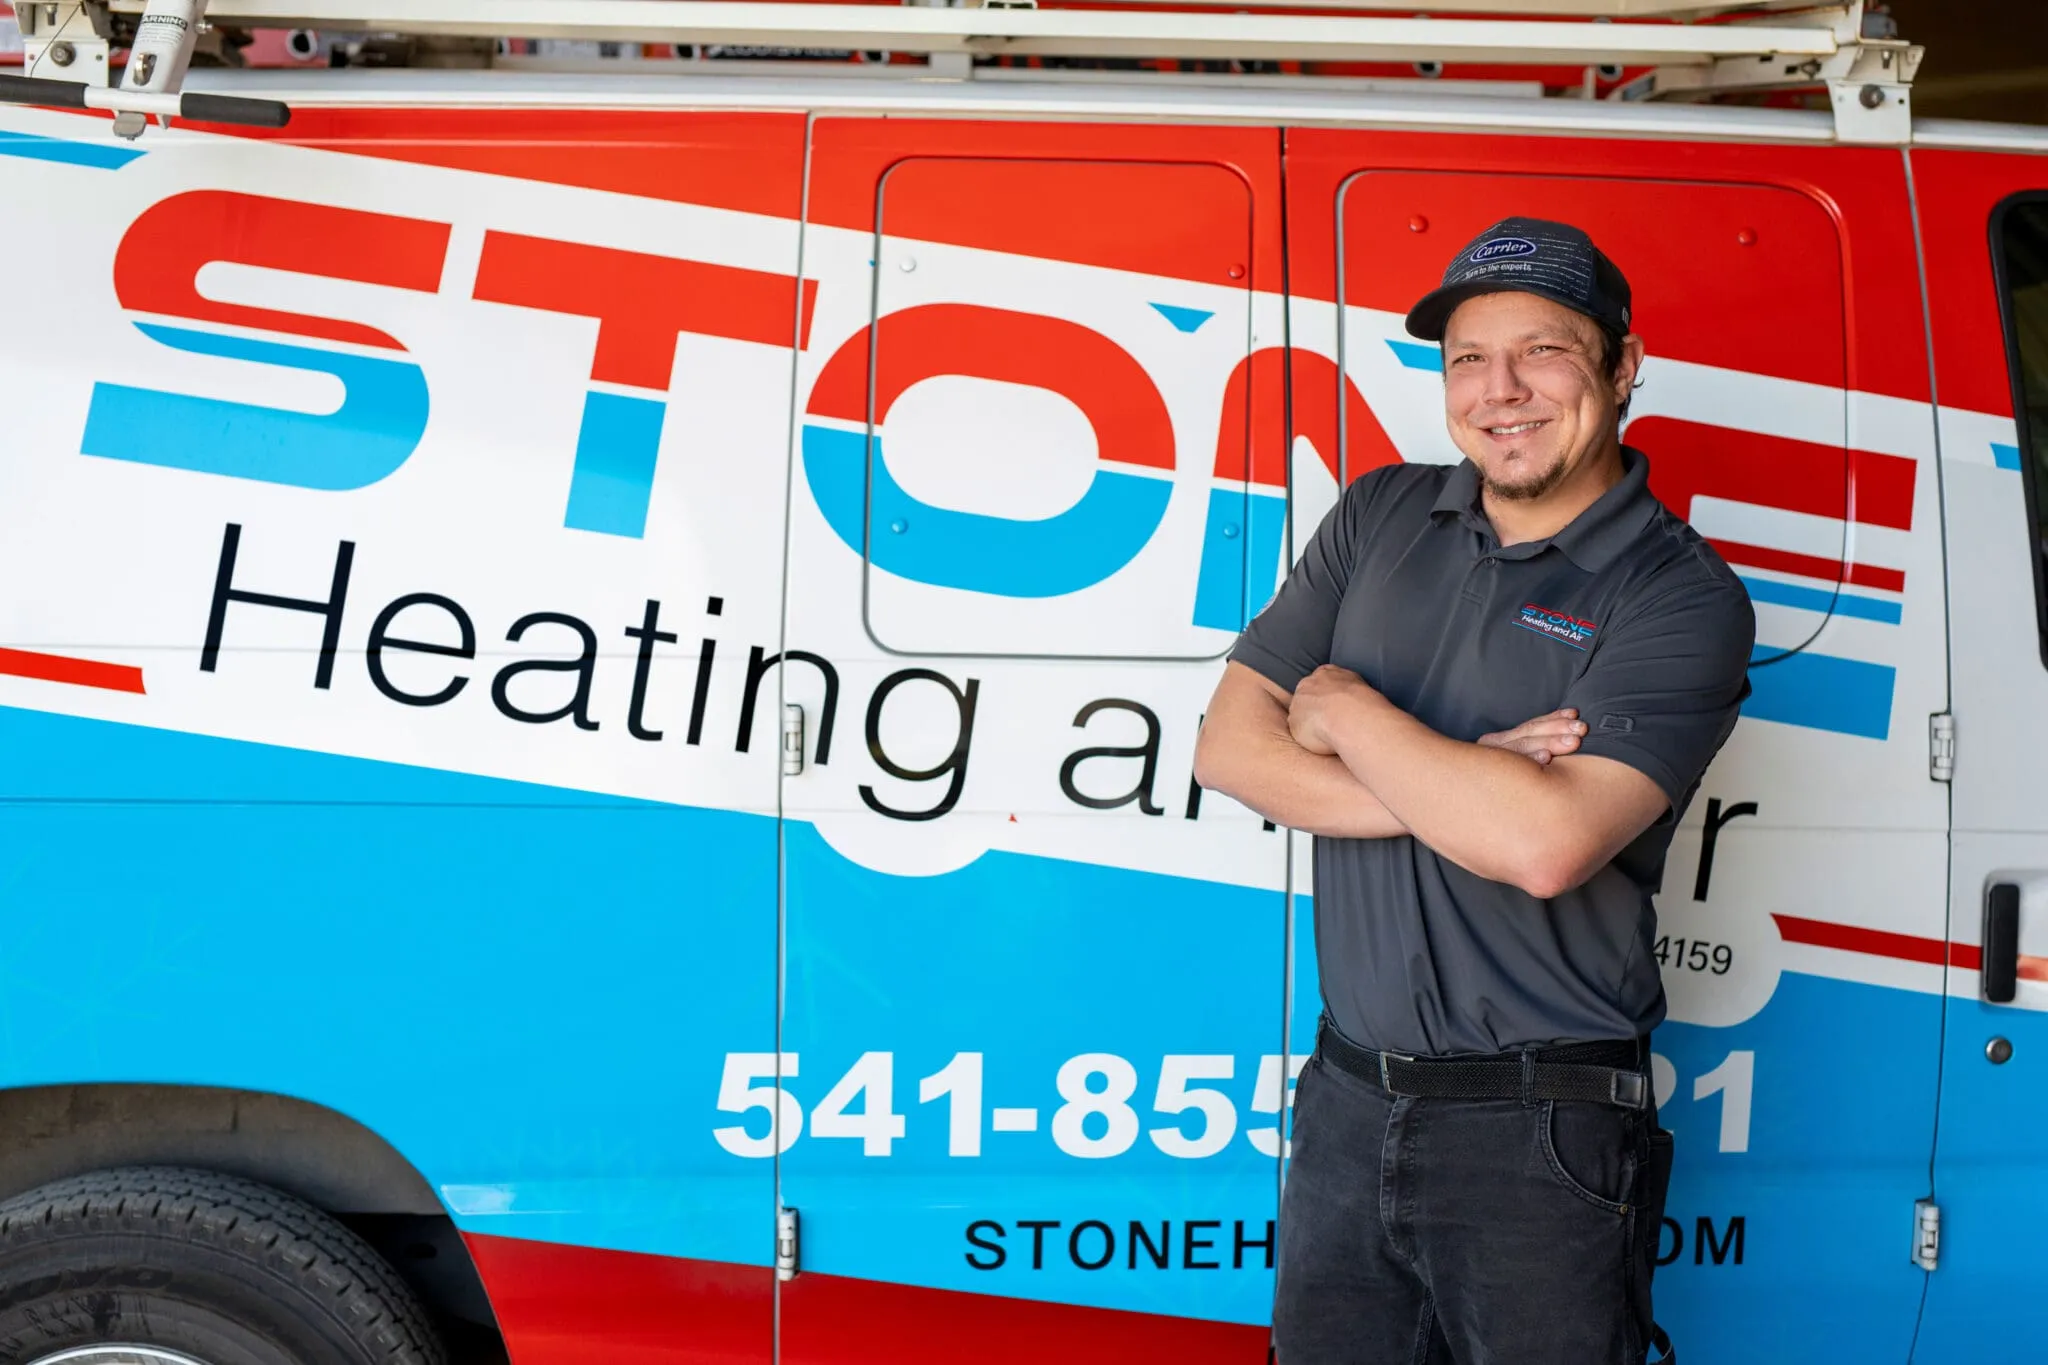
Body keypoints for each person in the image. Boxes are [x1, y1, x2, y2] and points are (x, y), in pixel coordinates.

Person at [1194, 216, 1755, 1365]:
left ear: (1621, 364)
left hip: (1536, 1133)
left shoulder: (1679, 595)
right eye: (1465, 360)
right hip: (1347, 1099)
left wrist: (1345, 714)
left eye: (1541, 351)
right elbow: (1229, 751)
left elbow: (1543, 847)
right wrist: (1466, 781)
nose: (1499, 391)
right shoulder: (1380, 514)